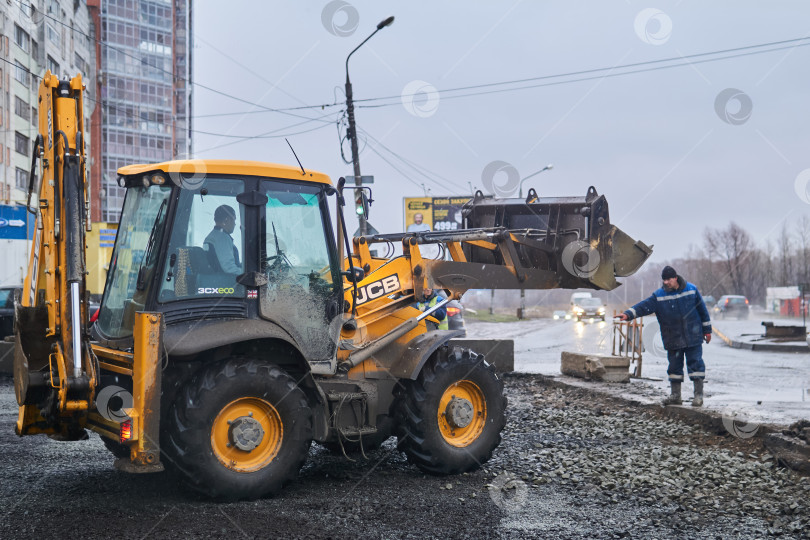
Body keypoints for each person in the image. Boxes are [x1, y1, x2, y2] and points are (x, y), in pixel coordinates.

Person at [618, 266, 712, 407]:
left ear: (675, 278)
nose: (666, 282)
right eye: (664, 280)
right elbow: (644, 306)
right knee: (674, 367)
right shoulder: (659, 295)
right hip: (672, 338)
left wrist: (707, 330)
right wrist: (628, 314)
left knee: (696, 364)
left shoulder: (692, 290)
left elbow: (703, 311)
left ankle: (698, 396)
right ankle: (675, 396)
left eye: (668, 279)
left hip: (693, 336)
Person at [204, 204, 241, 275]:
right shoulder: (222, 238)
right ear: (227, 220)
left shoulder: (213, 236)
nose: (235, 224)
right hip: (226, 282)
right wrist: (246, 274)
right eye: (234, 219)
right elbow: (229, 268)